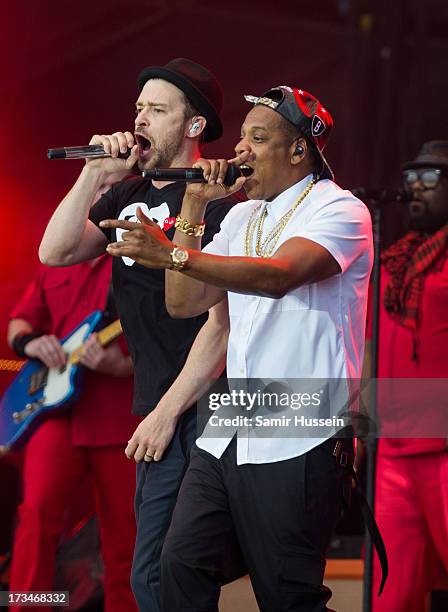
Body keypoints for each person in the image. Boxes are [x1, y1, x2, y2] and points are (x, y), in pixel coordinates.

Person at [102, 85, 374, 611]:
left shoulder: (340, 209)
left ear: (298, 150)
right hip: (232, 419)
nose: (240, 150)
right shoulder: (241, 216)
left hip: (302, 419)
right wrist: (194, 206)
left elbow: (277, 277)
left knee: (287, 594)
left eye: (257, 137)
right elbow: (185, 303)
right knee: (175, 567)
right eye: (242, 137)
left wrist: (173, 256)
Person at [38, 58, 235, 611]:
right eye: (138, 108)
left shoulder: (218, 203)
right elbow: (54, 253)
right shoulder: (124, 197)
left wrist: (170, 411)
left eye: (157, 109)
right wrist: (94, 173)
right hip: (160, 406)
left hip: (205, 403)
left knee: (164, 572)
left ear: (194, 126)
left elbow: (221, 321)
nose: (139, 119)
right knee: (163, 575)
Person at [7, 254, 138, 612]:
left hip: (121, 418)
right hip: (55, 415)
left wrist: (126, 366)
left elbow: (174, 329)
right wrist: (30, 343)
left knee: (126, 540)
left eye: (105, 191)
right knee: (35, 519)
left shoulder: (139, 257)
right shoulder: (56, 257)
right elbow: (17, 323)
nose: (97, 196)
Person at [368, 141, 448, 611]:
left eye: (431, 178)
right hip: (393, 450)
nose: (416, 186)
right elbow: (370, 345)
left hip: (442, 446)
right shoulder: (397, 259)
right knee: (390, 595)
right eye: (412, 176)